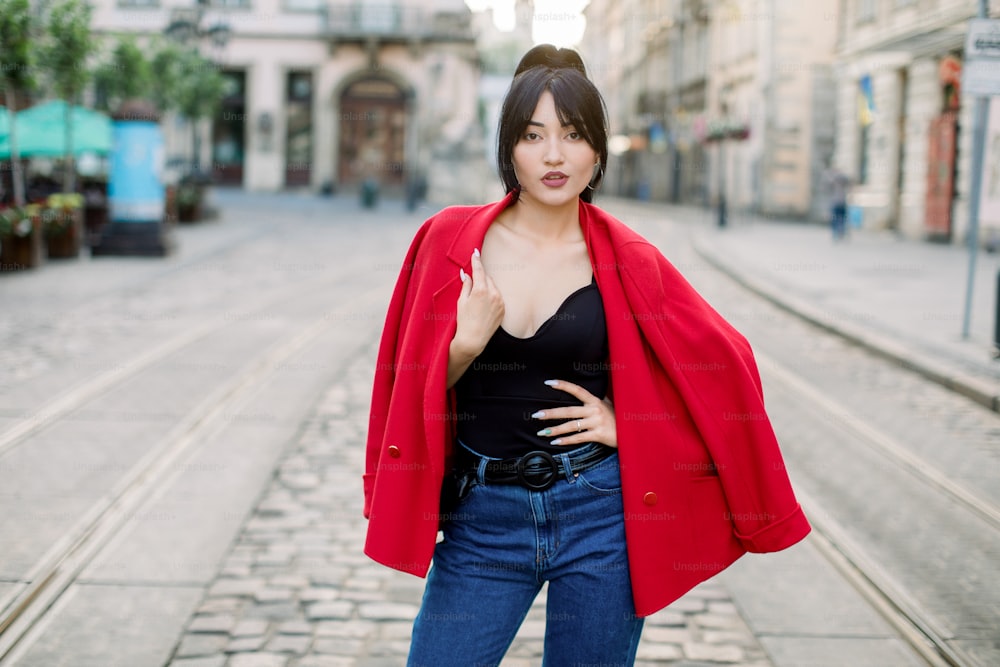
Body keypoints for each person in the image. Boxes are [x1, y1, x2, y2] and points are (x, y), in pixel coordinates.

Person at [363, 45, 810, 666]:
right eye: (533, 135)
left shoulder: (632, 261)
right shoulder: (448, 242)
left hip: (599, 516)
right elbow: (402, 385)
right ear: (509, 149)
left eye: (572, 135)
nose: (553, 155)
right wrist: (465, 345)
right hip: (483, 519)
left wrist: (631, 426)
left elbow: (726, 373)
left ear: (597, 151)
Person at [823, 162, 852, 240]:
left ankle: (838, 233)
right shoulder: (841, 179)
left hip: (838, 202)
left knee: (837, 218)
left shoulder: (833, 179)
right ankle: (839, 232)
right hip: (839, 202)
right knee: (840, 218)